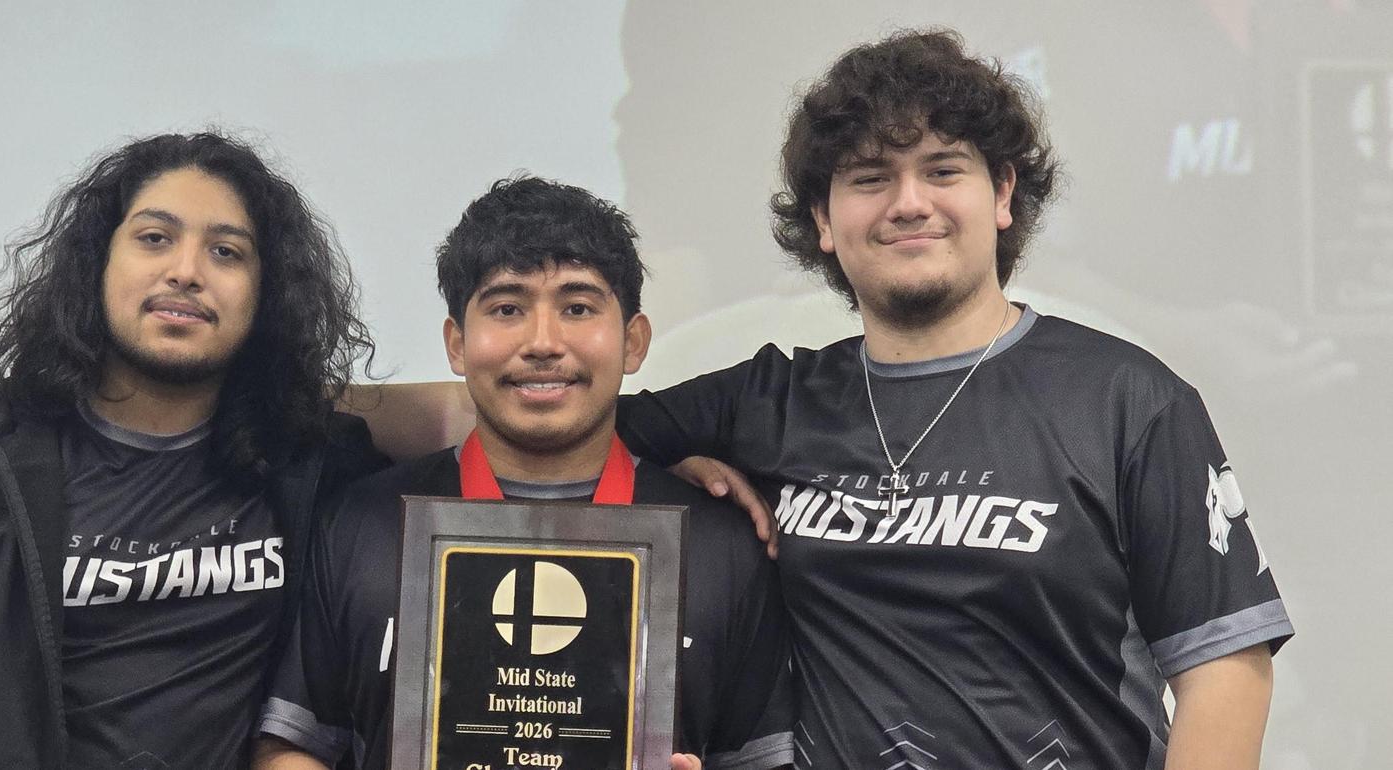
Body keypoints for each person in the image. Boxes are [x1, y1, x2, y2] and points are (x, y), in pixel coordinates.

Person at [611, 30, 1293, 768]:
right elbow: (532, 424)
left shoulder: (1128, 400)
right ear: (822, 220)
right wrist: (670, 472)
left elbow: (1226, 671)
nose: (909, 203)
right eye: (870, 177)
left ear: (1001, 193)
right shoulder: (772, 401)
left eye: (942, 170)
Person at [0, 132, 387, 770]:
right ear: (98, 261)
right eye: (154, 238)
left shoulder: (314, 465)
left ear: (266, 294)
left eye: (226, 252)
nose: (186, 271)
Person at [255, 176, 794, 770]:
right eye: (507, 308)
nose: (543, 342)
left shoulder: (721, 542)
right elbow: (295, 743)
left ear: (633, 341)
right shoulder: (362, 521)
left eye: (578, 307)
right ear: (457, 344)